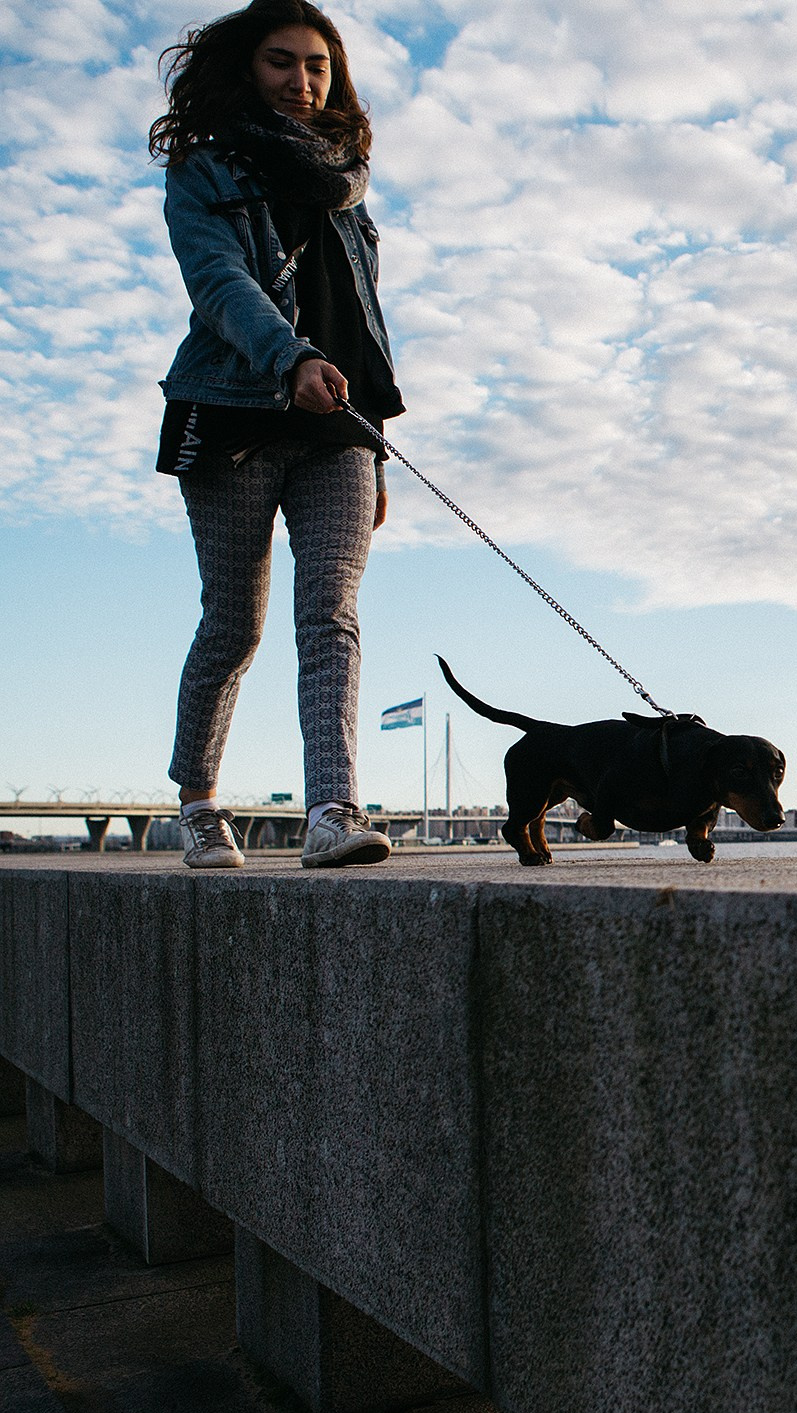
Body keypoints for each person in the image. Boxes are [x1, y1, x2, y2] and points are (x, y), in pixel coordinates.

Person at [150, 0, 400, 869]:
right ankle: (198, 802)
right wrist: (289, 357)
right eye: (280, 62)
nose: (302, 81)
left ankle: (333, 808)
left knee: (331, 612)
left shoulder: (347, 178)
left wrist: (376, 442)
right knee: (234, 623)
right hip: (235, 415)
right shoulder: (204, 169)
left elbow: (363, 315)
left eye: (317, 66)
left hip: (341, 427)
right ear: (243, 70)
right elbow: (217, 283)